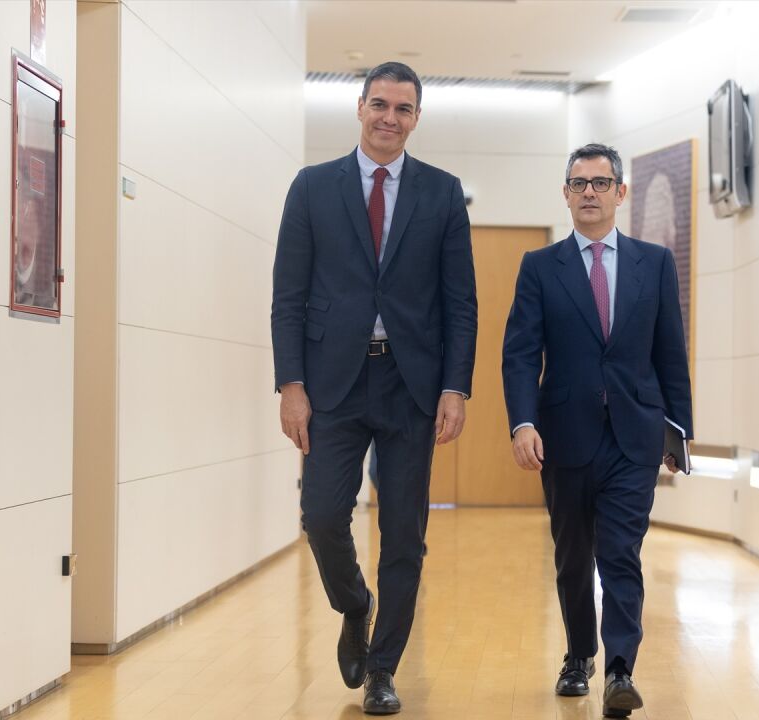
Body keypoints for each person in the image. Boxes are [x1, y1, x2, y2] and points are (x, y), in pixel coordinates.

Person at [271, 61, 477, 716]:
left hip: (411, 383)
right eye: (380, 104)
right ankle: (355, 604)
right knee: (322, 515)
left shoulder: (442, 194)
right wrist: (291, 384)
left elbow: (460, 303)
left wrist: (455, 387)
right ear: (360, 107)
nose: (390, 118)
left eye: (403, 108)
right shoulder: (312, 187)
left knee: (404, 534)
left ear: (416, 118)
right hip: (332, 382)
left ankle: (383, 669)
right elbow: (288, 296)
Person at [501, 144, 692, 718]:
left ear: (620, 193)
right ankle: (579, 653)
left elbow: (670, 352)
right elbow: (519, 354)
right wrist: (523, 422)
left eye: (601, 183)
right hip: (564, 435)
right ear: (565, 194)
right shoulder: (540, 266)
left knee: (620, 552)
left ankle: (619, 669)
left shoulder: (654, 263)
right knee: (572, 554)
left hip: (635, 435)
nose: (590, 192)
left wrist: (679, 432)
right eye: (579, 183)